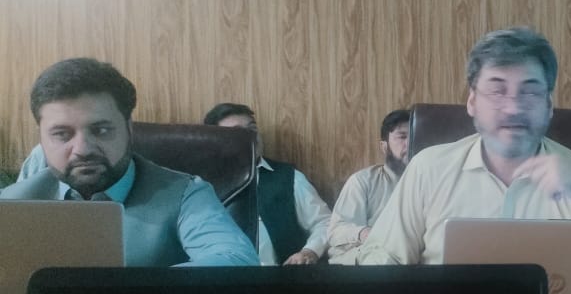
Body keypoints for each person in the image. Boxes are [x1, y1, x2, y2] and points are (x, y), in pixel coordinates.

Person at [358, 26, 571, 265]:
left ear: (548, 105)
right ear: (472, 102)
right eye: (497, 90)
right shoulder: (428, 169)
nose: (513, 108)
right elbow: (384, 258)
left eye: (530, 91)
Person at [1, 58, 259, 267]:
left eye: (101, 130)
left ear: (129, 129)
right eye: (62, 134)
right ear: (41, 138)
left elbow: (237, 260)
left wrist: (127, 290)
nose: (83, 149)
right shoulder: (12, 203)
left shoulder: (185, 194)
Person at [204, 103, 332, 266]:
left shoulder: (288, 177)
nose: (250, 137)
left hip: (281, 276)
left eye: (252, 129)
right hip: (219, 276)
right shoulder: (201, 185)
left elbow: (325, 222)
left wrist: (310, 251)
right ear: (215, 142)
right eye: (238, 133)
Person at [326, 109, 411, 265]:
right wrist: (366, 233)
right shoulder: (362, 181)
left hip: (411, 255)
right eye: (402, 137)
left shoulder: (432, 182)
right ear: (384, 147)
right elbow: (336, 231)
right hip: (369, 254)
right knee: (384, 259)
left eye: (414, 136)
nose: (410, 143)